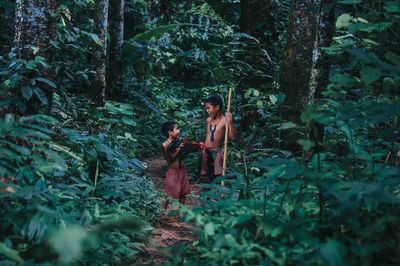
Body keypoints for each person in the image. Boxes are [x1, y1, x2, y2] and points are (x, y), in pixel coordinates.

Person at [201, 95, 236, 182]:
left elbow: (233, 137)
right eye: (206, 108)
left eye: (209, 108)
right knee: (207, 174)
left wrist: (230, 122)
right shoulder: (208, 120)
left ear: (217, 107)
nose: (207, 111)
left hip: (217, 152)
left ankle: (219, 192)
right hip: (206, 151)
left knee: (218, 175)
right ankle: (208, 192)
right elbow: (208, 135)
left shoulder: (225, 120)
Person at [161, 121, 190, 211]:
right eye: (176, 129)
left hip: (182, 170)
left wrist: (186, 147)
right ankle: (164, 212)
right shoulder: (165, 145)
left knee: (183, 194)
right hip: (173, 171)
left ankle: (181, 215)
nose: (179, 131)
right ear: (170, 132)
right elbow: (170, 160)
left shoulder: (177, 142)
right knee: (169, 194)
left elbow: (181, 157)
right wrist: (179, 149)